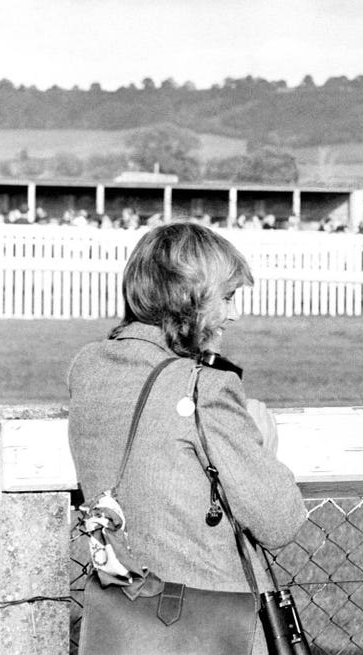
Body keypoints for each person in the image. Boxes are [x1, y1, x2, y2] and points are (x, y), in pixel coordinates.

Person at [67, 222, 307, 653]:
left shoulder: (89, 368)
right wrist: (262, 448)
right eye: (228, 298)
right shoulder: (204, 388)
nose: (234, 315)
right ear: (188, 299)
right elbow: (279, 520)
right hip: (207, 622)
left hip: (120, 613)